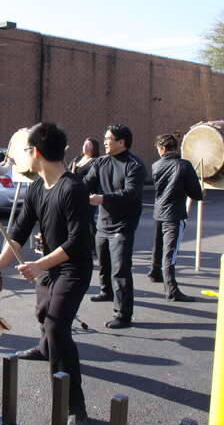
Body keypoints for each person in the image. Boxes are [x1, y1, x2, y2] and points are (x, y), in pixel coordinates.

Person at [0, 122, 91, 425]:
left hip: (73, 269)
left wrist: (39, 265)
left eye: (26, 150)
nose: (24, 156)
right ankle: (45, 348)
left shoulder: (73, 188)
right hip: (49, 267)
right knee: (42, 315)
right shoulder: (38, 187)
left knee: (56, 326)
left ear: (35, 152)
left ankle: (74, 407)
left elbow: (79, 242)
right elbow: (18, 234)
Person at [84, 124, 145, 329]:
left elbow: (131, 194)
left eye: (109, 138)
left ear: (122, 142)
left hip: (123, 225)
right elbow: (86, 184)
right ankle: (105, 292)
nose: (105, 142)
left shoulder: (134, 165)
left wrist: (103, 198)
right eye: (105, 137)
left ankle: (123, 315)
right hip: (103, 223)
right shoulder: (100, 162)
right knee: (103, 262)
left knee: (120, 270)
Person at [147, 134, 203, 302]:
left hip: (159, 211)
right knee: (170, 252)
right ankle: (171, 289)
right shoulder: (184, 165)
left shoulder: (156, 165)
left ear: (163, 148)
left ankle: (154, 272)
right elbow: (196, 193)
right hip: (174, 213)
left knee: (158, 247)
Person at [69, 137, 100, 257]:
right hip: (74, 193)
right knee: (76, 220)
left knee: (88, 220)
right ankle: (80, 243)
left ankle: (94, 245)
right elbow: (68, 171)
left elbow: (91, 178)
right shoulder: (78, 159)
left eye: (89, 145)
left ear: (94, 148)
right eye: (84, 144)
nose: (85, 146)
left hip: (88, 194)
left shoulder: (95, 161)